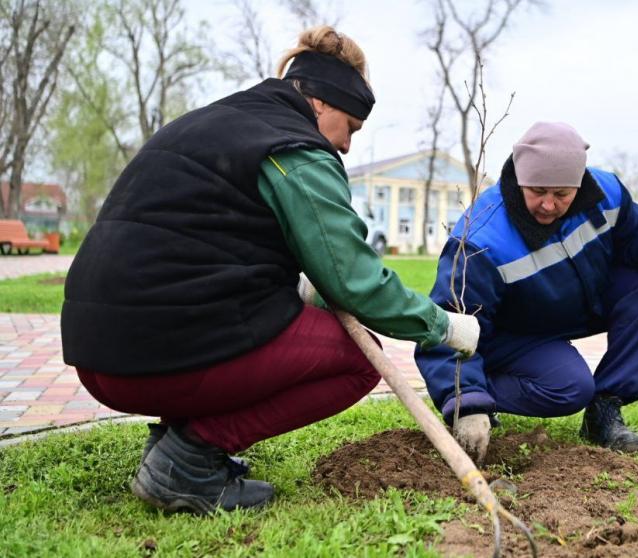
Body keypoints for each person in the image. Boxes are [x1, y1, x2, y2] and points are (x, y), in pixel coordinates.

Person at [60, 26, 479, 514]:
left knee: (268, 325)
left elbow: (209, 241)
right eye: (351, 127)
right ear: (321, 103)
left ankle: (172, 443)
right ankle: (188, 458)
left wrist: (306, 285)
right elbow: (356, 281)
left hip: (99, 352)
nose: (346, 147)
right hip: (154, 353)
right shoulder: (295, 149)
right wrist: (443, 326)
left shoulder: (216, 121)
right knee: (358, 361)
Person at [415, 122, 638, 463]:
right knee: (571, 389)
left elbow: (637, 229)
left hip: (578, 304)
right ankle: (479, 392)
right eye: (538, 191)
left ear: (579, 183)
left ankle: (605, 410)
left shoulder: (606, 192)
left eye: (562, 194)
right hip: (512, 334)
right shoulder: (481, 239)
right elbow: (449, 323)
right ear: (520, 180)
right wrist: (465, 399)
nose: (548, 205)